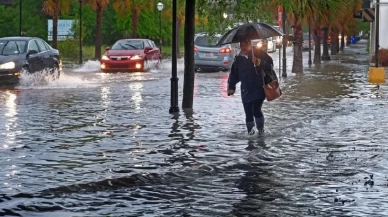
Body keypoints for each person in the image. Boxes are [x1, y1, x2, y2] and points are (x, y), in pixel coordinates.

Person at [227, 39, 274, 135]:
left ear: (250, 44)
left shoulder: (259, 53)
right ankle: (250, 134)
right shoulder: (238, 60)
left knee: (256, 109)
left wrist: (259, 62)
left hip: (259, 88)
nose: (243, 47)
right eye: (241, 45)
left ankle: (261, 131)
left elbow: (270, 66)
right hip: (246, 90)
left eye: (245, 45)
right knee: (248, 113)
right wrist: (231, 87)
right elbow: (234, 75)